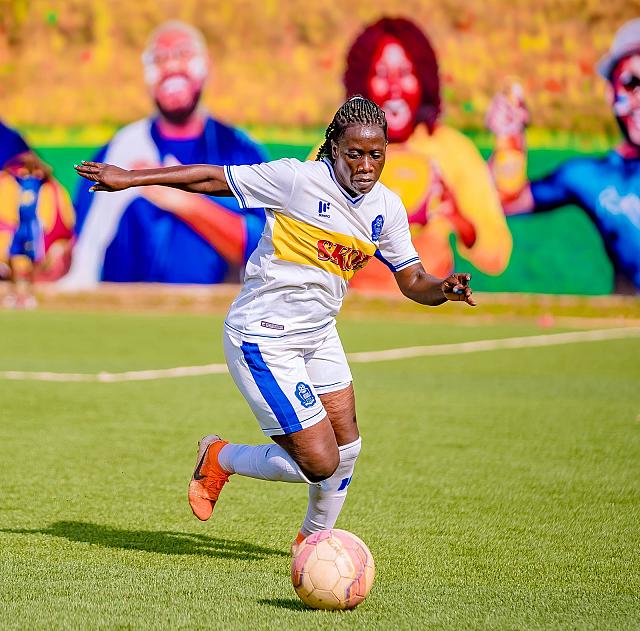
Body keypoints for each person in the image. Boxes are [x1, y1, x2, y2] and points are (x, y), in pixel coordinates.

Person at [75, 97, 475, 551]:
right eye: (354, 153)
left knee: (348, 450)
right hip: (262, 337)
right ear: (334, 148)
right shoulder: (297, 180)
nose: (366, 166)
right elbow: (213, 178)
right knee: (320, 462)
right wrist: (131, 179)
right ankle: (220, 457)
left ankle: (313, 543)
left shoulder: (387, 208)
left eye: (376, 154)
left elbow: (413, 280)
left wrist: (443, 289)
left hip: (318, 335)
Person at [61, 21, 267, 289]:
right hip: (122, 309)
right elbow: (83, 253)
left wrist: (186, 201)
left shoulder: (240, 150)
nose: (171, 66)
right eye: (159, 59)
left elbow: (265, 249)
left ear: (205, 65)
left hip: (218, 309)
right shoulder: (118, 152)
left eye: (183, 54)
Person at [337, 17, 511, 292]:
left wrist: (460, 221)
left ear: (423, 79)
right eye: (381, 74)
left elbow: (497, 255)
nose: (394, 86)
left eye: (405, 73)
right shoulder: (336, 151)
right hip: (355, 306)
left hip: (431, 306)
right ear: (363, 83)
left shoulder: (453, 150)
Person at [486, 18, 640, 294]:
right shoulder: (591, 178)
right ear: (611, 92)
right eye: (632, 83)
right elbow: (503, 202)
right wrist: (509, 138)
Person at [0, 120, 74, 308]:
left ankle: (26, 295)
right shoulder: (9, 183)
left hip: (34, 230)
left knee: (28, 262)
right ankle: (16, 294)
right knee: (16, 261)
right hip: (17, 230)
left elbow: (62, 218)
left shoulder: (48, 187)